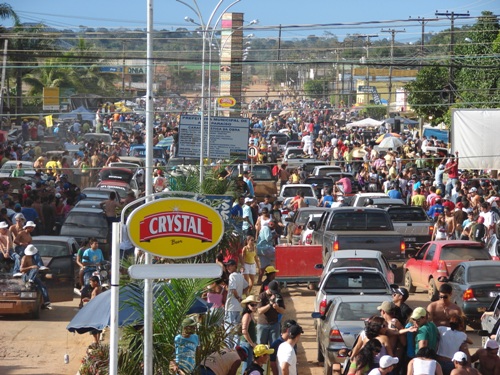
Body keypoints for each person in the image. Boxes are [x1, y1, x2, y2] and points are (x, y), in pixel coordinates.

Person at [224, 259, 248, 347]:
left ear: (235, 266)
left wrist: (238, 297)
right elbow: (247, 285)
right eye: (227, 266)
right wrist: (241, 294)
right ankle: (236, 348)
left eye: (230, 265)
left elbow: (233, 289)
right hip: (238, 306)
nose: (228, 267)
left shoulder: (232, 276)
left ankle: (230, 348)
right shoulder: (239, 276)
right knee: (236, 328)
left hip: (231, 306)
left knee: (229, 329)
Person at [19, 245, 51, 310]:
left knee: (43, 287)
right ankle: (30, 281)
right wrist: (31, 267)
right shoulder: (24, 258)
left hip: (33, 277)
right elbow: (21, 269)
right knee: (34, 268)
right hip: (26, 275)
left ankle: (46, 302)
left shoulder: (33, 258)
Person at [257, 280, 286, 346]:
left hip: (274, 324)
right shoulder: (262, 296)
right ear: (268, 289)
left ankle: (273, 356)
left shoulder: (278, 296)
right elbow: (259, 311)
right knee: (261, 346)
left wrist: (277, 308)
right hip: (263, 324)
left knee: (275, 346)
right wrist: (269, 304)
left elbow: (283, 310)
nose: (274, 293)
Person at [240, 295, 260, 373]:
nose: (254, 306)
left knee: (249, 365)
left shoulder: (251, 314)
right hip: (247, 343)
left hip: (250, 343)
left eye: (255, 304)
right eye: (252, 305)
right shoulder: (247, 315)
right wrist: (251, 343)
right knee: (246, 366)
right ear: (247, 305)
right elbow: (244, 331)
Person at [256, 220, 277, 285]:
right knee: (279, 255)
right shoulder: (266, 228)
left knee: (263, 266)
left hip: (261, 249)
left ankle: (259, 280)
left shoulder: (265, 229)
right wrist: (275, 236)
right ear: (271, 224)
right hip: (265, 248)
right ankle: (278, 276)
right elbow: (268, 238)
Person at [86, 276, 103, 344]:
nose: (90, 284)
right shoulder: (98, 289)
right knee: (98, 326)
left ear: (95, 282)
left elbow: (95, 301)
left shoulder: (96, 290)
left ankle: (95, 340)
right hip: (98, 310)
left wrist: (88, 300)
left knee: (93, 326)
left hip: (95, 310)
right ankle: (97, 340)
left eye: (91, 282)